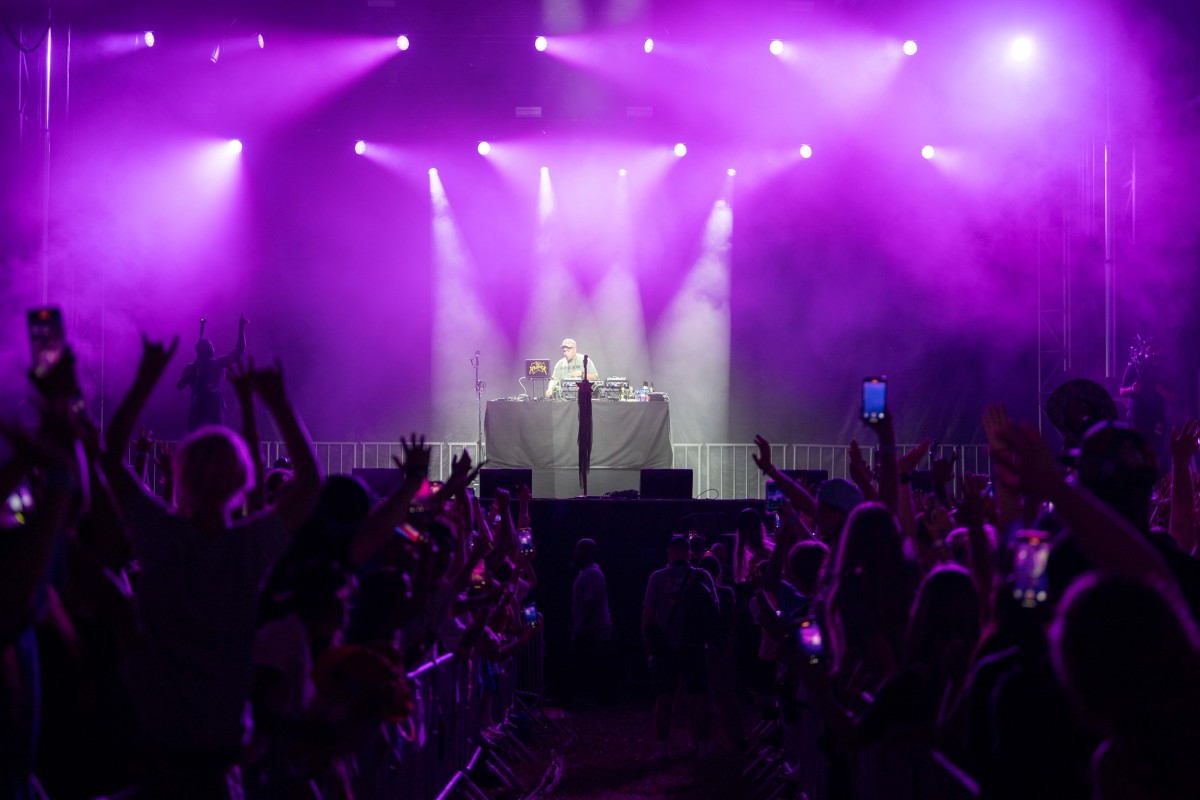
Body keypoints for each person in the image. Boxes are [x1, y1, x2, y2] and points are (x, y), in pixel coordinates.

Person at [643, 535, 718, 760]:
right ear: (689, 553)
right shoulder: (702, 576)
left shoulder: (657, 577)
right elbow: (715, 610)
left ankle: (662, 750)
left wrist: (650, 646)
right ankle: (704, 749)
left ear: (669, 553)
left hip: (665, 647)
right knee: (699, 698)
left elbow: (648, 615)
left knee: (664, 699)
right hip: (695, 645)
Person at [178, 314, 248, 431]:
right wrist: (192, 373)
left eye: (212, 346)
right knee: (196, 440)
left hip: (215, 413)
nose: (213, 348)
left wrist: (241, 328)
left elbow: (239, 350)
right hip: (197, 413)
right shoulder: (191, 367)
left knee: (216, 440)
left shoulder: (218, 364)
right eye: (210, 346)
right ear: (202, 351)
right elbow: (179, 385)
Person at [569, 538, 612, 706]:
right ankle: (597, 700)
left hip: (591, 630)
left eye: (578, 550)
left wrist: (582, 627)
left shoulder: (589, 574)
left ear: (586, 553)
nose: (575, 553)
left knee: (589, 665)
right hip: (595, 629)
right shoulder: (591, 572)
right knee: (595, 665)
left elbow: (590, 601)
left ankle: (590, 701)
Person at [1119, 335, 1173, 467]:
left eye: (1156, 349)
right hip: (1137, 415)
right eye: (1150, 349)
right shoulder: (1134, 367)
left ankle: (1156, 476)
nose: (1153, 352)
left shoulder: (1164, 370)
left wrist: (1162, 392)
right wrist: (1132, 389)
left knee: (1156, 449)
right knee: (1136, 448)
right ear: (1145, 350)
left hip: (1156, 416)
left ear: (1160, 350)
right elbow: (1121, 391)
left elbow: (1172, 396)